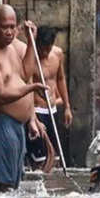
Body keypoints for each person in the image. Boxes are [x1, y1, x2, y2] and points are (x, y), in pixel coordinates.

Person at [0, 5, 47, 192]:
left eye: (12, 27)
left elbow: (24, 73)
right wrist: (32, 88)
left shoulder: (12, 48)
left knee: (14, 188)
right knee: (1, 188)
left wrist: (32, 42)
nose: (9, 32)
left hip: (16, 127)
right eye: (4, 27)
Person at [25, 26, 73, 166]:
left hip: (52, 110)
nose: (45, 53)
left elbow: (60, 79)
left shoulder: (57, 54)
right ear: (37, 44)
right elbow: (26, 87)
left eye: (49, 48)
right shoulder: (30, 59)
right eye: (42, 49)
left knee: (55, 157)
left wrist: (67, 107)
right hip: (37, 111)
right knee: (40, 159)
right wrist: (32, 117)